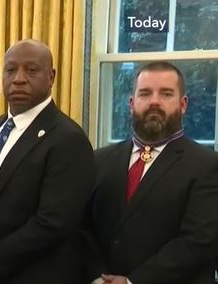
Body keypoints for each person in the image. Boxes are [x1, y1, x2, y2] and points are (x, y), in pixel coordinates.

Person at [0, 39, 95, 284]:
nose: (19, 78)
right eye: (11, 70)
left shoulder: (69, 139)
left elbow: (52, 223)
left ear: (51, 77)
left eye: (31, 70)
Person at [83, 61, 218, 284]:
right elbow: (81, 230)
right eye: (145, 93)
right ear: (131, 103)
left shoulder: (208, 165)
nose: (154, 101)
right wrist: (98, 277)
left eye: (166, 94)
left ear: (183, 104)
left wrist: (131, 282)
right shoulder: (98, 160)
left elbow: (198, 242)